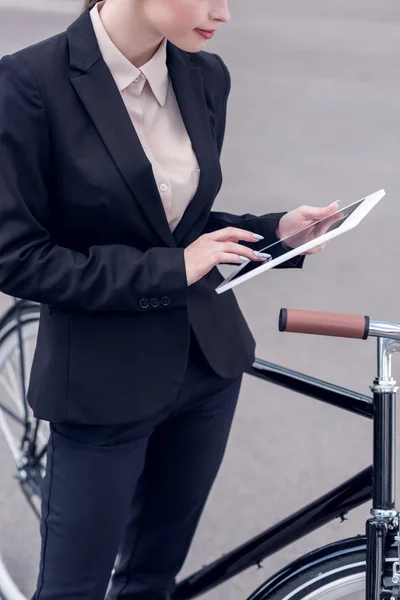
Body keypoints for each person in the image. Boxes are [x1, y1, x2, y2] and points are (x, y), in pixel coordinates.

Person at [0, 0, 339, 598]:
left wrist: (275, 230)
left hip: (207, 368)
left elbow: (180, 226)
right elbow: (19, 257)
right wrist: (167, 270)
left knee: (151, 581)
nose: (224, 13)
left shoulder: (204, 74)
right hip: (101, 388)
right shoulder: (29, 84)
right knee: (72, 590)